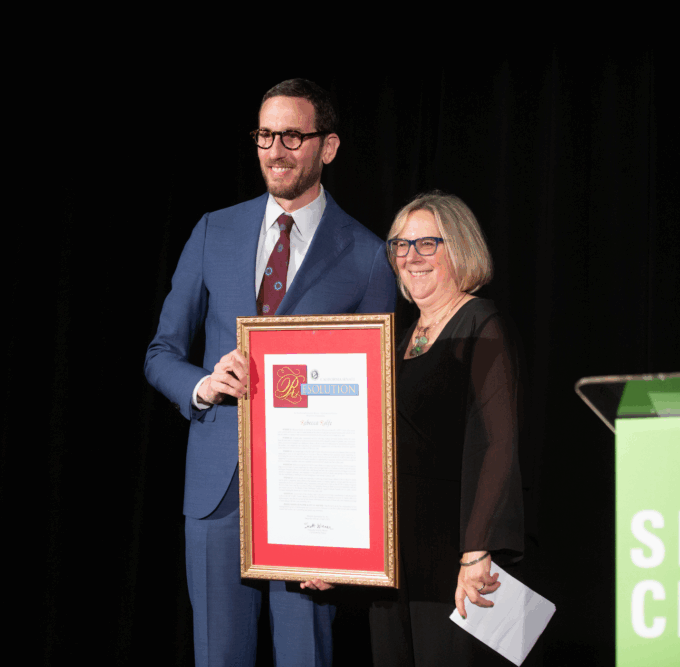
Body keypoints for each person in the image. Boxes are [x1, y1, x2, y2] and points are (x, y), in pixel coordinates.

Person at [144, 79, 396, 666]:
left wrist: (348, 540)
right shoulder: (214, 230)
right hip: (216, 494)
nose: (274, 150)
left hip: (312, 508)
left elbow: (377, 408)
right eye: (264, 134)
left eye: (291, 135)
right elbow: (161, 354)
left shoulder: (366, 255)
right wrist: (203, 385)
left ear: (327, 147)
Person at [370, 192, 525, 665]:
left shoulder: (482, 322)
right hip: (392, 566)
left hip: (452, 562)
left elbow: (499, 444)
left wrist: (477, 548)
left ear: (459, 248)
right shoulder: (395, 339)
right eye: (401, 244)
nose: (411, 257)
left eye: (427, 244)